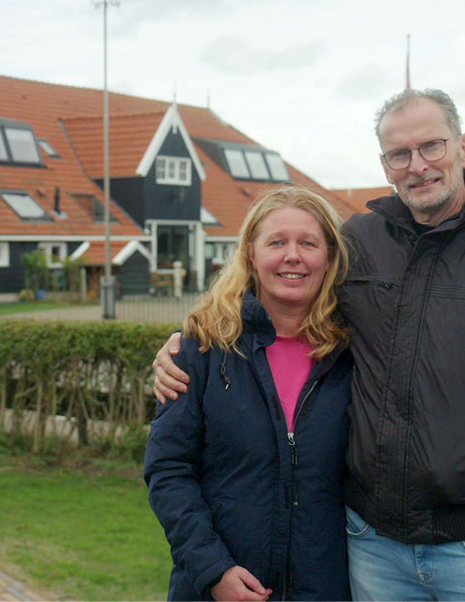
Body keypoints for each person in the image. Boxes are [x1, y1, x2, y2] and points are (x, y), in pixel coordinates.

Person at [152, 88, 465, 600]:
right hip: (372, 547)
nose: (418, 165)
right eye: (399, 154)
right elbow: (280, 302)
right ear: (385, 165)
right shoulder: (360, 244)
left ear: (464, 147)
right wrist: (183, 346)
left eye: (432, 146)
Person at [145, 186, 354, 601]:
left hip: (325, 588)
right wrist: (212, 569)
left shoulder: (356, 352)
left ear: (329, 258)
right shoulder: (202, 348)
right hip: (217, 588)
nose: (292, 256)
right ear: (251, 256)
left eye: (308, 243)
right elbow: (168, 469)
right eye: (276, 243)